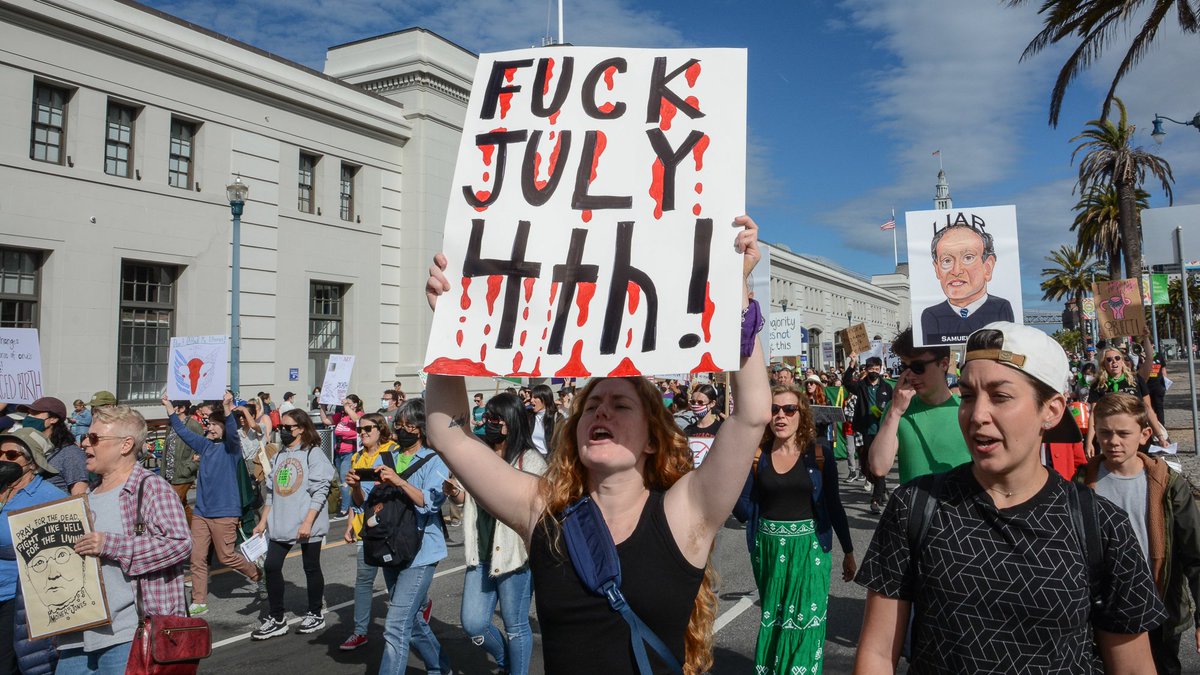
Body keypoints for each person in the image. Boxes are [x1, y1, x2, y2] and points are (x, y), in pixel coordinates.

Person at [422, 214, 771, 673]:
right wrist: (448, 325)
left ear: (652, 440)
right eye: (592, 406)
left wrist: (734, 293)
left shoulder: (686, 511)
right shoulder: (543, 511)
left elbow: (752, 415)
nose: (601, 411)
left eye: (620, 406)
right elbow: (450, 436)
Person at [854, 322, 1166, 674]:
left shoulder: (1101, 524)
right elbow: (877, 654)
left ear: (1051, 410)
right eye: (969, 395)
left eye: (1000, 397)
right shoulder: (913, 507)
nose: (977, 415)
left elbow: (1133, 666)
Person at [733, 385, 855, 674]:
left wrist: (848, 551)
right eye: (774, 410)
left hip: (811, 548)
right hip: (769, 548)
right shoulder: (756, 454)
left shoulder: (819, 453)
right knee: (774, 619)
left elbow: (834, 506)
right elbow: (743, 506)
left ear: (802, 415)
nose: (781, 416)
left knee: (806, 622)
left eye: (789, 410)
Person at [1076, 393, 1200, 675]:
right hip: (1103, 612)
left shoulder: (1168, 485)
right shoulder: (1082, 484)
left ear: (1144, 434)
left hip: (1159, 609)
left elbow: (1195, 555)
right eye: (1105, 433)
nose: (1113, 441)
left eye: (1123, 433)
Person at [62, 406, 191, 672]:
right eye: (85, 436)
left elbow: (180, 544)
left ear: (126, 445)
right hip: (75, 635)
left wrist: (111, 545)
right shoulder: (87, 494)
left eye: (94, 438)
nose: (84, 442)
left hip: (127, 634)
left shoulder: (150, 488)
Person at [451, 393, 547, 675]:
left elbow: (537, 509)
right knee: (474, 623)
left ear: (512, 421)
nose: (489, 423)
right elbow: (462, 499)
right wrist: (455, 493)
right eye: (487, 417)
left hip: (515, 557)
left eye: (496, 418)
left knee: (515, 626)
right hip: (480, 553)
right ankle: (506, 661)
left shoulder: (530, 461)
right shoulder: (479, 454)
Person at [372, 399, 453, 675]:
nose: (402, 430)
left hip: (421, 550)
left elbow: (429, 503)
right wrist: (356, 489)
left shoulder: (436, 460)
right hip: (390, 545)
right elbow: (368, 502)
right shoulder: (386, 456)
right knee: (412, 621)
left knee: (395, 625)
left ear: (420, 428)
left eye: (409, 425)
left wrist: (399, 481)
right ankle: (440, 667)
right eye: (399, 424)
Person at [161, 393, 261, 617]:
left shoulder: (231, 449)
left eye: (216, 425)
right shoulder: (205, 445)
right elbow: (183, 432)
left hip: (225, 512)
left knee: (226, 556)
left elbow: (234, 434)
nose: (211, 428)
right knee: (197, 558)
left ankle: (257, 575)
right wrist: (168, 407)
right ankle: (199, 600)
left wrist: (227, 408)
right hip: (202, 513)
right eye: (210, 424)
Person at [251, 409, 335, 640]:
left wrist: (308, 521)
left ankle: (315, 613)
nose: (284, 432)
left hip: (307, 523)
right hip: (281, 523)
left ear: (302, 429)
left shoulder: (313, 454)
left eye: (288, 428)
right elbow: (272, 493)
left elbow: (320, 491)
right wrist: (263, 522)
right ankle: (277, 618)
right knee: (271, 566)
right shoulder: (278, 456)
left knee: (311, 567)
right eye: (280, 428)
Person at [0, 428, 66, 675]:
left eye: (10, 454)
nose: (2, 459)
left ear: (31, 462)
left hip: (18, 599)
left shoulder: (49, 497)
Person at [867, 327, 970, 484]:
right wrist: (894, 412)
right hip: (915, 507)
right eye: (904, 366)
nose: (909, 375)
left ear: (943, 364)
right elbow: (879, 467)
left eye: (917, 367)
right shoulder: (896, 410)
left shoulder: (966, 409)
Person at [338, 412, 401, 651]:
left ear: (380, 429)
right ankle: (359, 631)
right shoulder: (357, 457)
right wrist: (349, 525)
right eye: (360, 429)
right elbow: (359, 500)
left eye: (368, 429)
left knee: (393, 580)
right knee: (363, 580)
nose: (363, 433)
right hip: (366, 528)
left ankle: (409, 617)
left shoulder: (392, 451)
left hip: (390, 527)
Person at [919, 220, 1015, 345]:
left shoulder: (1000, 308)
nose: (956, 271)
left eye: (968, 257)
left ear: (988, 266)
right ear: (937, 269)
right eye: (947, 260)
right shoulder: (932, 315)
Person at [1087, 346, 1168, 454]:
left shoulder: (1136, 380)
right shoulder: (1098, 385)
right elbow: (1094, 414)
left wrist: (1160, 437)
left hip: (1136, 432)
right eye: (1109, 359)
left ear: (1122, 361)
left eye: (1117, 358)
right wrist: (1089, 442)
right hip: (1113, 435)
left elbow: (1148, 409)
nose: (1114, 362)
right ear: (1103, 364)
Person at [843, 355, 893, 514]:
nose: (874, 371)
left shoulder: (886, 388)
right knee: (866, 465)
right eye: (871, 369)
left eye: (876, 369)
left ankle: (876, 499)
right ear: (866, 369)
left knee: (878, 464)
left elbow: (891, 408)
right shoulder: (861, 386)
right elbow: (847, 383)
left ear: (881, 369)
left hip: (881, 431)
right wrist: (851, 365)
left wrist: (881, 414)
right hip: (865, 430)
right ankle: (882, 488)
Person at [24, 397, 88, 496]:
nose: (28, 417)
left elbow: (80, 498)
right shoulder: (26, 449)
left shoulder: (71, 454)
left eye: (35, 413)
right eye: (28, 413)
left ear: (53, 419)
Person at [320, 396, 363, 517]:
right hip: (339, 451)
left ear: (355, 404)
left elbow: (358, 420)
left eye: (349, 403)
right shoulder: (342, 416)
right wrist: (322, 407)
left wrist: (346, 407)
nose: (346, 405)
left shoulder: (359, 414)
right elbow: (326, 421)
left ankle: (345, 508)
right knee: (341, 479)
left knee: (345, 479)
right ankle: (349, 503)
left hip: (350, 451)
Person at [162, 401, 202, 526]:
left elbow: (201, 451)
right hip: (170, 472)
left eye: (172, 406)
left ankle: (183, 533)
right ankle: (196, 532)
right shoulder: (171, 424)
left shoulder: (193, 425)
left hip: (183, 473)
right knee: (182, 505)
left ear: (182, 408)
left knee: (171, 504)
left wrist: (190, 468)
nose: (168, 409)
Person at [528, 384, 557, 457]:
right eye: (531, 397)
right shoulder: (529, 416)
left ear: (545, 399)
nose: (531, 400)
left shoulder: (557, 417)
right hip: (532, 457)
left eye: (535, 397)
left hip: (549, 459)